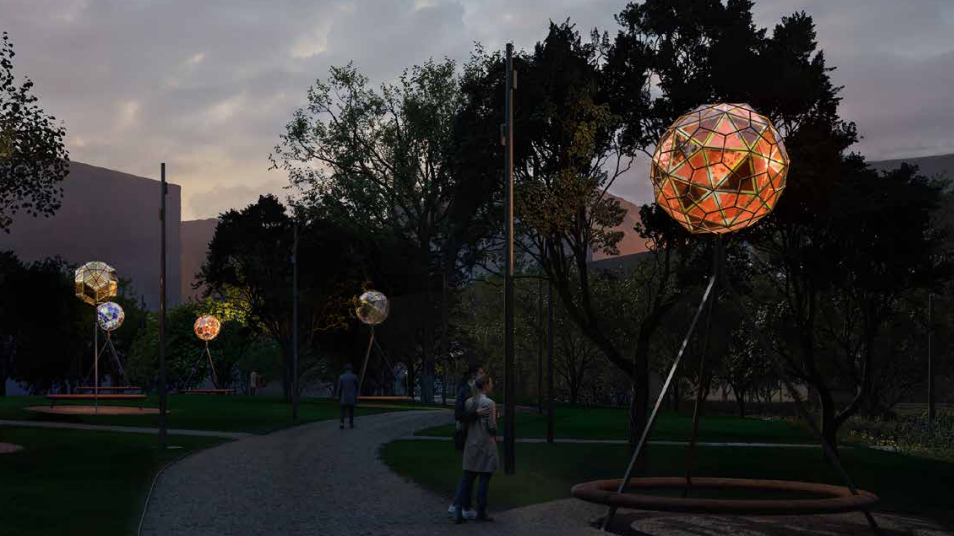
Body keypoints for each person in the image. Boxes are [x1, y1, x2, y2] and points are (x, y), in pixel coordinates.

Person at [454, 374, 498, 524]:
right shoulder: (490, 403)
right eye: (491, 382)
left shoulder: (469, 402)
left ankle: (458, 509)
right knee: (484, 478)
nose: (492, 385)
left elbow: (464, 422)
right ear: (485, 385)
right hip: (486, 444)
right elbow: (491, 427)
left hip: (471, 444)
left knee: (467, 479)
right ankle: (481, 511)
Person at [448, 365, 490, 519]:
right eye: (481, 373)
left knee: (471, 472)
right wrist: (476, 414)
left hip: (475, 435)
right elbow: (459, 414)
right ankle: (457, 505)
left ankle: (464, 506)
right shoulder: (465, 390)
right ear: (473, 376)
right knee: (470, 472)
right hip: (467, 436)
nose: (484, 375)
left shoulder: (476, 391)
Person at [335, 364, 359, 429]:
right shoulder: (354, 377)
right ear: (351, 369)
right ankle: (351, 424)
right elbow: (357, 387)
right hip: (352, 397)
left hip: (344, 396)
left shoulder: (341, 377)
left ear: (345, 369)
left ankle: (341, 423)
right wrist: (356, 396)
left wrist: (337, 396)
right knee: (351, 411)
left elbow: (339, 388)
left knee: (342, 411)